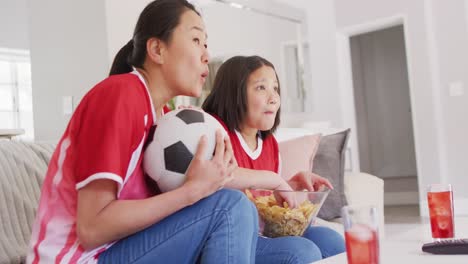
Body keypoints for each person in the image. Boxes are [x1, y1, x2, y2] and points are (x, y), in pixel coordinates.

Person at [27, 1, 259, 263]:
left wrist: (276, 181)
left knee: (296, 248)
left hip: (129, 246)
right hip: (84, 258)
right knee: (230, 208)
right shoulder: (120, 95)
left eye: (206, 44)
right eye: (196, 39)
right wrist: (190, 193)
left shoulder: (163, 117)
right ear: (157, 49)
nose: (207, 55)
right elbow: (91, 229)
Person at [202, 55, 346, 263]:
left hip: (269, 234)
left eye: (276, 89)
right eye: (261, 88)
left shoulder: (269, 144)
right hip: (240, 240)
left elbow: (265, 198)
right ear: (234, 93)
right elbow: (220, 175)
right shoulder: (217, 131)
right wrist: (274, 180)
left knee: (333, 241)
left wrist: (290, 184)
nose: (273, 98)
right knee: (302, 252)